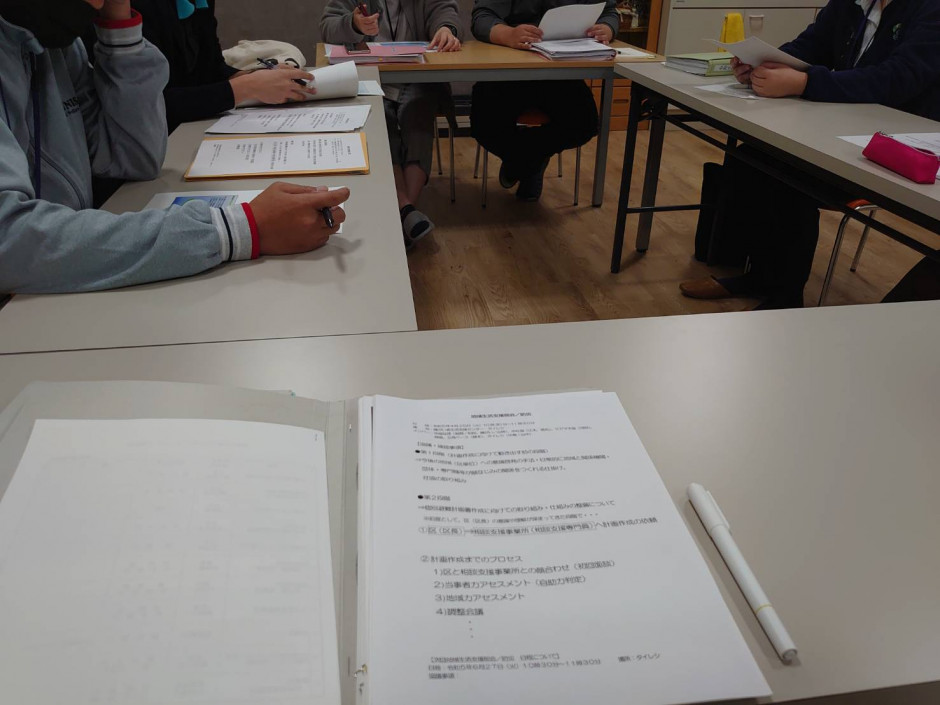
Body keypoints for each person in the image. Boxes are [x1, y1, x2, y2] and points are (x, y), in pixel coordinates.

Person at [0, 0, 349, 294]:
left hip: (52, 287)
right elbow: (10, 241)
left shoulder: (57, 48)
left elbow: (133, 159)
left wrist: (120, 27)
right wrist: (238, 229)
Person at [679, 0, 940, 308]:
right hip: (844, 129)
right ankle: (759, 277)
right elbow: (810, 46)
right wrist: (761, 66)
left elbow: (895, 79)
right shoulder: (851, 4)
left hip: (899, 149)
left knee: (792, 180)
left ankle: (784, 298)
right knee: (751, 159)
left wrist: (806, 82)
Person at [321, 0, 462, 248]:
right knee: (380, 121)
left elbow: (443, 9)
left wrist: (445, 29)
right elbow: (327, 27)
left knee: (418, 113)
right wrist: (353, 24)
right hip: (368, 77)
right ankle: (407, 213)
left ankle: (402, 214)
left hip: (417, 76)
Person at [470, 0, 616, 201]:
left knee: (585, 124)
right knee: (484, 123)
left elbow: (609, 11)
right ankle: (532, 162)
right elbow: (482, 17)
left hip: (561, 74)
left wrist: (607, 29)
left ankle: (522, 163)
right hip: (506, 71)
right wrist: (508, 34)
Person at [120, 0, 318, 134]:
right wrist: (246, 87)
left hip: (190, 129)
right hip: (153, 144)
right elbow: (148, 107)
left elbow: (210, 69)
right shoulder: (134, 7)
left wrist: (250, 76)